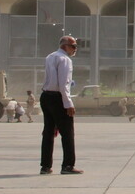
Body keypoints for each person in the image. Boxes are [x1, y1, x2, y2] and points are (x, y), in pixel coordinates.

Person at [40, 35, 83, 175]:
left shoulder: (50, 57)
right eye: (73, 46)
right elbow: (63, 83)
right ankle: (68, 165)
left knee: (48, 133)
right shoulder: (65, 60)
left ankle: (45, 166)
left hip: (46, 96)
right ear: (65, 46)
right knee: (67, 133)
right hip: (58, 98)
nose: (75, 49)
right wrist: (68, 103)